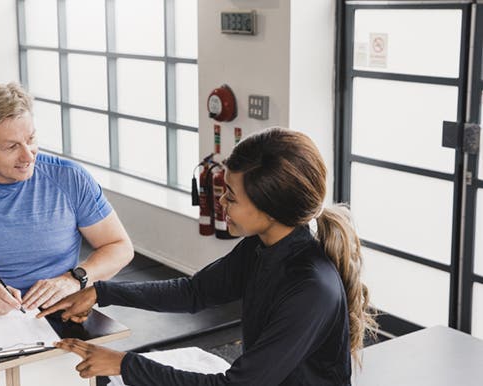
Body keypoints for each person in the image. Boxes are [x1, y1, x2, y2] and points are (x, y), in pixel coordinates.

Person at [39, 128, 377, 385]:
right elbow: (194, 292)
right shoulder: (263, 247)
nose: (222, 206)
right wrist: (102, 291)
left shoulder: (310, 288)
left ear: (271, 210)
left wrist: (124, 364)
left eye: (231, 198)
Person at [0, 82, 134, 315]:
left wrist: (74, 279)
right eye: (11, 147)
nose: (28, 156)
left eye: (30, 139)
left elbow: (120, 246)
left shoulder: (71, 178)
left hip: (66, 313)